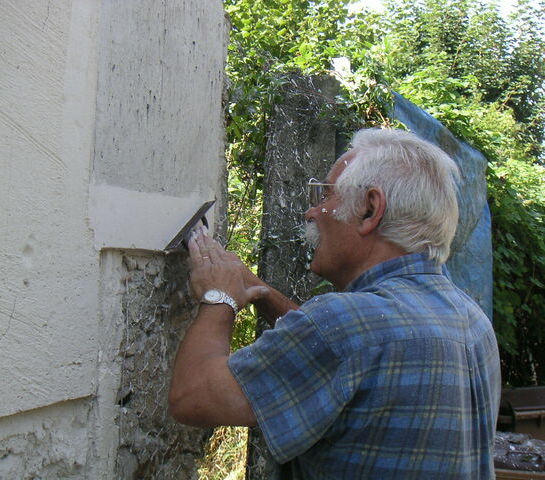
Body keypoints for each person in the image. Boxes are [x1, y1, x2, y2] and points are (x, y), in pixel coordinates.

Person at [169, 128, 501, 479]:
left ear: (370, 209)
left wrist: (218, 297)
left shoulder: (345, 324)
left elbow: (193, 396)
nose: (312, 212)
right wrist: (255, 288)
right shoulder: (470, 319)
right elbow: (341, 352)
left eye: (325, 195)